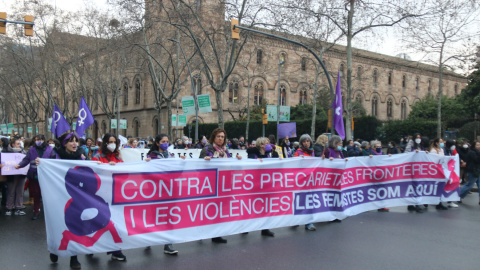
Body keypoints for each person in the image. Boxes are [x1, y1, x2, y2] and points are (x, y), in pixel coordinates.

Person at [33, 132, 85, 269]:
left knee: (74, 226)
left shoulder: (81, 156)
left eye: (76, 141)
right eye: (71, 141)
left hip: (74, 197)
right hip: (57, 196)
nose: (74, 144)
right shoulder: (54, 155)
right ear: (64, 144)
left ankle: (74, 257)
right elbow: (42, 167)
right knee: (57, 224)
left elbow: (90, 172)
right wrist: (39, 163)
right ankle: (54, 248)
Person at [200, 128, 242, 243]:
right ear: (214, 137)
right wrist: (205, 161)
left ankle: (216, 234)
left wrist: (237, 160)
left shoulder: (225, 151)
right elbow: (199, 167)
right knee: (209, 210)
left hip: (223, 184)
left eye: (222, 137)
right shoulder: (206, 149)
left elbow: (230, 166)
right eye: (218, 136)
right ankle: (201, 232)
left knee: (219, 210)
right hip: (211, 184)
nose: (220, 139)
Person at [145, 134, 185, 255]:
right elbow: (147, 175)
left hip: (170, 191)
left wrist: (182, 164)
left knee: (169, 216)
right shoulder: (151, 156)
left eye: (167, 141)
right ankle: (147, 239)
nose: (166, 143)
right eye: (163, 141)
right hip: (156, 191)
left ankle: (168, 244)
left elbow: (177, 174)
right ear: (157, 143)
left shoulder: (172, 156)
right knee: (154, 217)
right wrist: (147, 164)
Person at [92, 134, 127, 261]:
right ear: (105, 143)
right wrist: (106, 168)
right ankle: (92, 245)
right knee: (100, 222)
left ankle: (116, 250)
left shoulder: (118, 156)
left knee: (115, 223)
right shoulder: (97, 156)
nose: (112, 144)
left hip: (116, 195)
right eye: (109, 142)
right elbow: (93, 172)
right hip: (102, 195)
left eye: (114, 142)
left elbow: (125, 172)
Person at [15, 134, 54, 220]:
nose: (38, 141)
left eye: (39, 139)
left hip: (46, 176)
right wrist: (19, 165)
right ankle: (36, 211)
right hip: (34, 175)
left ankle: (49, 212)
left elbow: (55, 160)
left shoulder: (50, 149)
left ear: (43, 140)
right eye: (36, 139)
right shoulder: (32, 149)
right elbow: (26, 159)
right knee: (36, 194)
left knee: (47, 195)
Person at [246, 137, 277, 237]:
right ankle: (245, 227)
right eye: (265, 143)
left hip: (266, 184)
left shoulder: (269, 154)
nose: (268, 145)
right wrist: (255, 162)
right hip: (255, 184)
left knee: (266, 207)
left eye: (268, 143)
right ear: (260, 145)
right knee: (251, 206)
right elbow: (248, 166)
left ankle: (265, 228)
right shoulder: (253, 154)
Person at [292, 134, 317, 231]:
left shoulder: (312, 152)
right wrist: (298, 159)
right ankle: (295, 220)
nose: (306, 143)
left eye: (308, 141)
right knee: (299, 201)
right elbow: (292, 163)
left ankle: (308, 222)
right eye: (304, 141)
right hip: (301, 180)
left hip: (310, 179)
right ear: (301, 143)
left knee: (309, 201)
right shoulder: (298, 152)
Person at [3, 137, 27, 216]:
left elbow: (26, 161)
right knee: (11, 192)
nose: (19, 145)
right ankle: (9, 208)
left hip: (21, 175)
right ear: (12, 144)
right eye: (17, 144)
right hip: (11, 175)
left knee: (20, 192)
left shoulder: (23, 152)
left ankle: (18, 208)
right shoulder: (6, 152)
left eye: (20, 144)